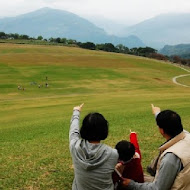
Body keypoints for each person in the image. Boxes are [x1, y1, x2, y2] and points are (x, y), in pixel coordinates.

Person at [118, 104, 190, 190]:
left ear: (162, 131)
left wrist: (131, 184)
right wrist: (157, 113)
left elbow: (158, 188)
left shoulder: (171, 157)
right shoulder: (187, 136)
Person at [69, 103, 119, 190]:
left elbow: (74, 130)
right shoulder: (113, 154)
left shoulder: (74, 146)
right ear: (104, 130)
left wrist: (76, 111)